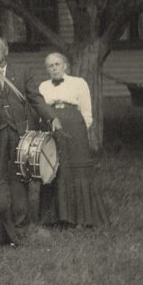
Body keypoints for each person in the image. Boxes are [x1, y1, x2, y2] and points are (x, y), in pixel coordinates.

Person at [0, 36, 47, 227]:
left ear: (6, 51)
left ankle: (20, 222)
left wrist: (51, 117)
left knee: (19, 177)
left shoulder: (21, 71)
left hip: (18, 135)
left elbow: (35, 98)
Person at [39, 52, 109, 227]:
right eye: (50, 65)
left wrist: (78, 131)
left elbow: (87, 112)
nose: (54, 68)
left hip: (75, 130)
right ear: (47, 69)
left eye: (57, 64)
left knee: (77, 168)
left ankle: (83, 217)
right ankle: (56, 217)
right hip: (52, 128)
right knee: (55, 167)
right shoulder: (43, 86)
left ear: (65, 65)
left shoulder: (79, 83)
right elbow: (40, 110)